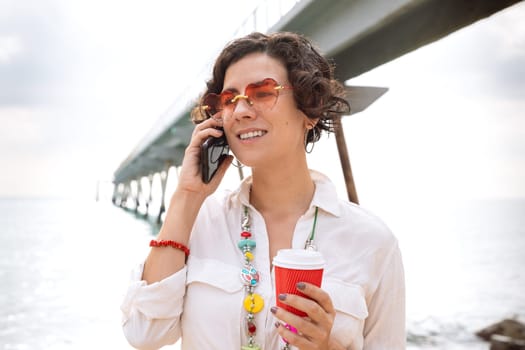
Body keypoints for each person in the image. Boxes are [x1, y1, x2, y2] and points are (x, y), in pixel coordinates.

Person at [120, 31, 405, 350]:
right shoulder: (201, 222)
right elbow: (144, 335)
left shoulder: (372, 241)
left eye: (264, 92)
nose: (241, 110)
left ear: (309, 110)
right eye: (229, 100)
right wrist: (187, 195)